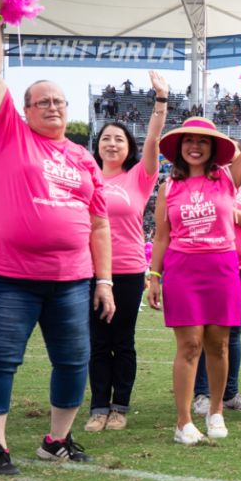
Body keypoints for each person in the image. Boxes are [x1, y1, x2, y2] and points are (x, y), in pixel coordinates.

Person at [0, 0, 116, 476]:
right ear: (26, 109)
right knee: (2, 359)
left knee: (75, 360)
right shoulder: (7, 132)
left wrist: (105, 280)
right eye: (43, 102)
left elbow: (99, 222)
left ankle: (57, 439)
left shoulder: (81, 155)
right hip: (10, 274)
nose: (52, 107)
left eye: (59, 101)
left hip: (71, 277)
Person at [148, 107, 241, 445]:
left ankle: (215, 411)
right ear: (180, 146)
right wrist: (154, 275)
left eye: (203, 141)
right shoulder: (169, 187)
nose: (195, 146)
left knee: (220, 344)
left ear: (213, 148)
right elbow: (161, 236)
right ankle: (183, 421)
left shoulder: (227, 178)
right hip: (183, 270)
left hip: (223, 267)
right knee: (189, 345)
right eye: (189, 141)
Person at [83, 71, 168, 434]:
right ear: (97, 145)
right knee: (97, 342)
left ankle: (120, 407)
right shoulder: (86, 176)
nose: (112, 144)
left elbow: (153, 139)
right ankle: (98, 406)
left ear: (128, 148)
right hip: (88, 271)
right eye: (106, 138)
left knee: (123, 340)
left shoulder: (139, 177)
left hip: (128, 270)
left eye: (119, 139)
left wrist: (160, 101)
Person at [192, 158, 241, 417]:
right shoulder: (206, 184)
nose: (232, 163)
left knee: (234, 334)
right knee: (206, 332)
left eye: (238, 157)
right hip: (210, 264)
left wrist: (228, 210)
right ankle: (203, 394)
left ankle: (230, 393)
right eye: (225, 159)